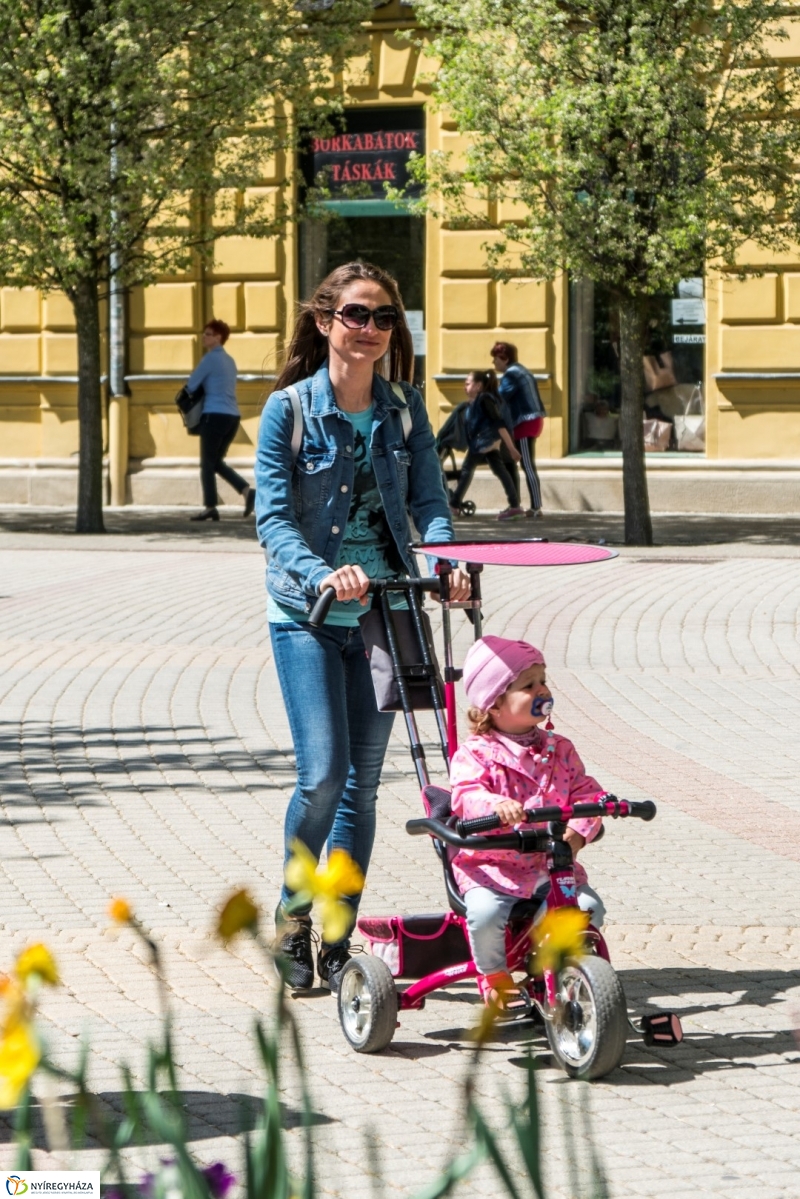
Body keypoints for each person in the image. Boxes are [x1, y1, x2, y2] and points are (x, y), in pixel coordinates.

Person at [255, 261, 470, 994]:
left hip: (389, 613)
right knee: (322, 777)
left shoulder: (406, 409)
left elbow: (431, 504)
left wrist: (447, 562)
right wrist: (321, 572)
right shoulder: (289, 410)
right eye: (356, 314)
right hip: (308, 615)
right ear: (325, 322)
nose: (371, 329)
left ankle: (341, 939)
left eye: (384, 318)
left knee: (363, 788)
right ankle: (292, 916)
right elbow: (273, 519)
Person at [450, 635, 607, 1006]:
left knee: (589, 909)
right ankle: (493, 974)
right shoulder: (476, 753)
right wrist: (495, 805)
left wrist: (580, 833)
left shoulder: (559, 749)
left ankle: (553, 967)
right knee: (486, 913)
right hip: (492, 867)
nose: (542, 689)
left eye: (542, 680)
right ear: (495, 703)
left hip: (549, 866)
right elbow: (466, 795)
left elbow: (587, 793)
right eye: (529, 684)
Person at [188, 319, 256, 522]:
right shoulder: (230, 360)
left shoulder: (209, 360)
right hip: (232, 417)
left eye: (208, 334)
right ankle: (246, 491)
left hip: (213, 416)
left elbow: (191, 386)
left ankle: (210, 507)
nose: (204, 337)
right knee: (216, 462)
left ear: (218, 338)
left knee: (207, 464)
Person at [449, 370, 524, 521]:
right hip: (489, 443)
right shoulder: (478, 401)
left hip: (483, 442)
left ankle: (454, 506)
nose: (465, 387)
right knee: (500, 470)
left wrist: (511, 448)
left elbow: (499, 424)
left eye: (468, 384)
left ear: (477, 386)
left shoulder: (485, 400)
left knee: (466, 470)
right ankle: (515, 506)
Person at [490, 341, 546, 518]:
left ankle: (536, 508)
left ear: (504, 359)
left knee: (527, 465)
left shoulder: (511, 375)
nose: (493, 363)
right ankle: (522, 505)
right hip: (531, 420)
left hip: (526, 422)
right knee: (524, 463)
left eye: (495, 359)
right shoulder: (520, 370)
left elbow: (499, 397)